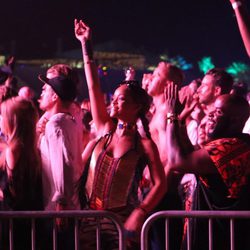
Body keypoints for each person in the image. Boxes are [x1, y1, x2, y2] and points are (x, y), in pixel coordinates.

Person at [75, 19, 166, 250]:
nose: (113, 101)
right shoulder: (105, 129)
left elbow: (160, 185)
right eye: (113, 97)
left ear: (137, 107)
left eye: (121, 98)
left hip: (122, 224)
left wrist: (141, 211)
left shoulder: (144, 145)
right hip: (89, 220)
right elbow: (93, 86)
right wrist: (86, 45)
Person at [166, 82, 250, 250]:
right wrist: (181, 120)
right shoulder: (234, 143)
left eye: (218, 112)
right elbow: (191, 155)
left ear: (236, 119)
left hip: (218, 238)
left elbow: (177, 162)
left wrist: (171, 115)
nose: (210, 115)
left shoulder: (229, 148)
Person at [37, 73, 82, 250]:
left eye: (45, 90)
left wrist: (61, 203)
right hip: (64, 206)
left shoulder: (55, 123)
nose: (41, 93)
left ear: (55, 96)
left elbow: (63, 164)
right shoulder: (66, 121)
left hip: (58, 209)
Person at [0, 97, 43, 250]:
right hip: (29, 224)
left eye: (2, 115)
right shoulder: (32, 148)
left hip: (12, 225)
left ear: (13, 121)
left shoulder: (13, 150)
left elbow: (13, 194)